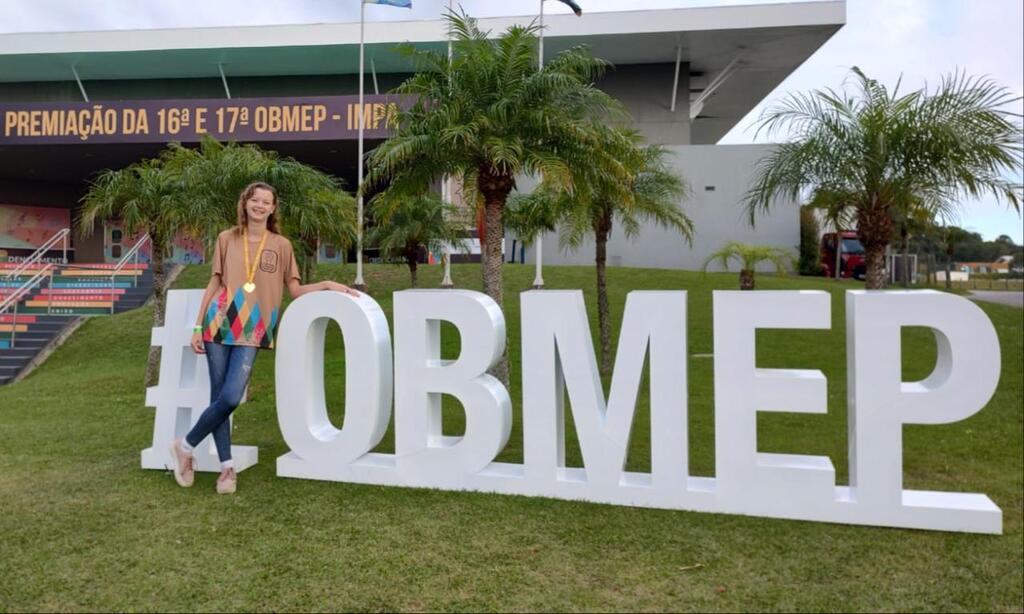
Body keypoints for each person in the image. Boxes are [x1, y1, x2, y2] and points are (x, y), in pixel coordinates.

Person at [167, 181, 359, 494]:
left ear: (272, 208)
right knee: (220, 397)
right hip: (219, 322)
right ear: (245, 204)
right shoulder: (227, 238)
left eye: (265, 201)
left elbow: (294, 289)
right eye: (254, 200)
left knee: (230, 398)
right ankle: (227, 469)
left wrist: (326, 283)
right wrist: (199, 327)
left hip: (253, 329)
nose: (259, 205)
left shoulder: (281, 245)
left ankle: (185, 446)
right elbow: (215, 282)